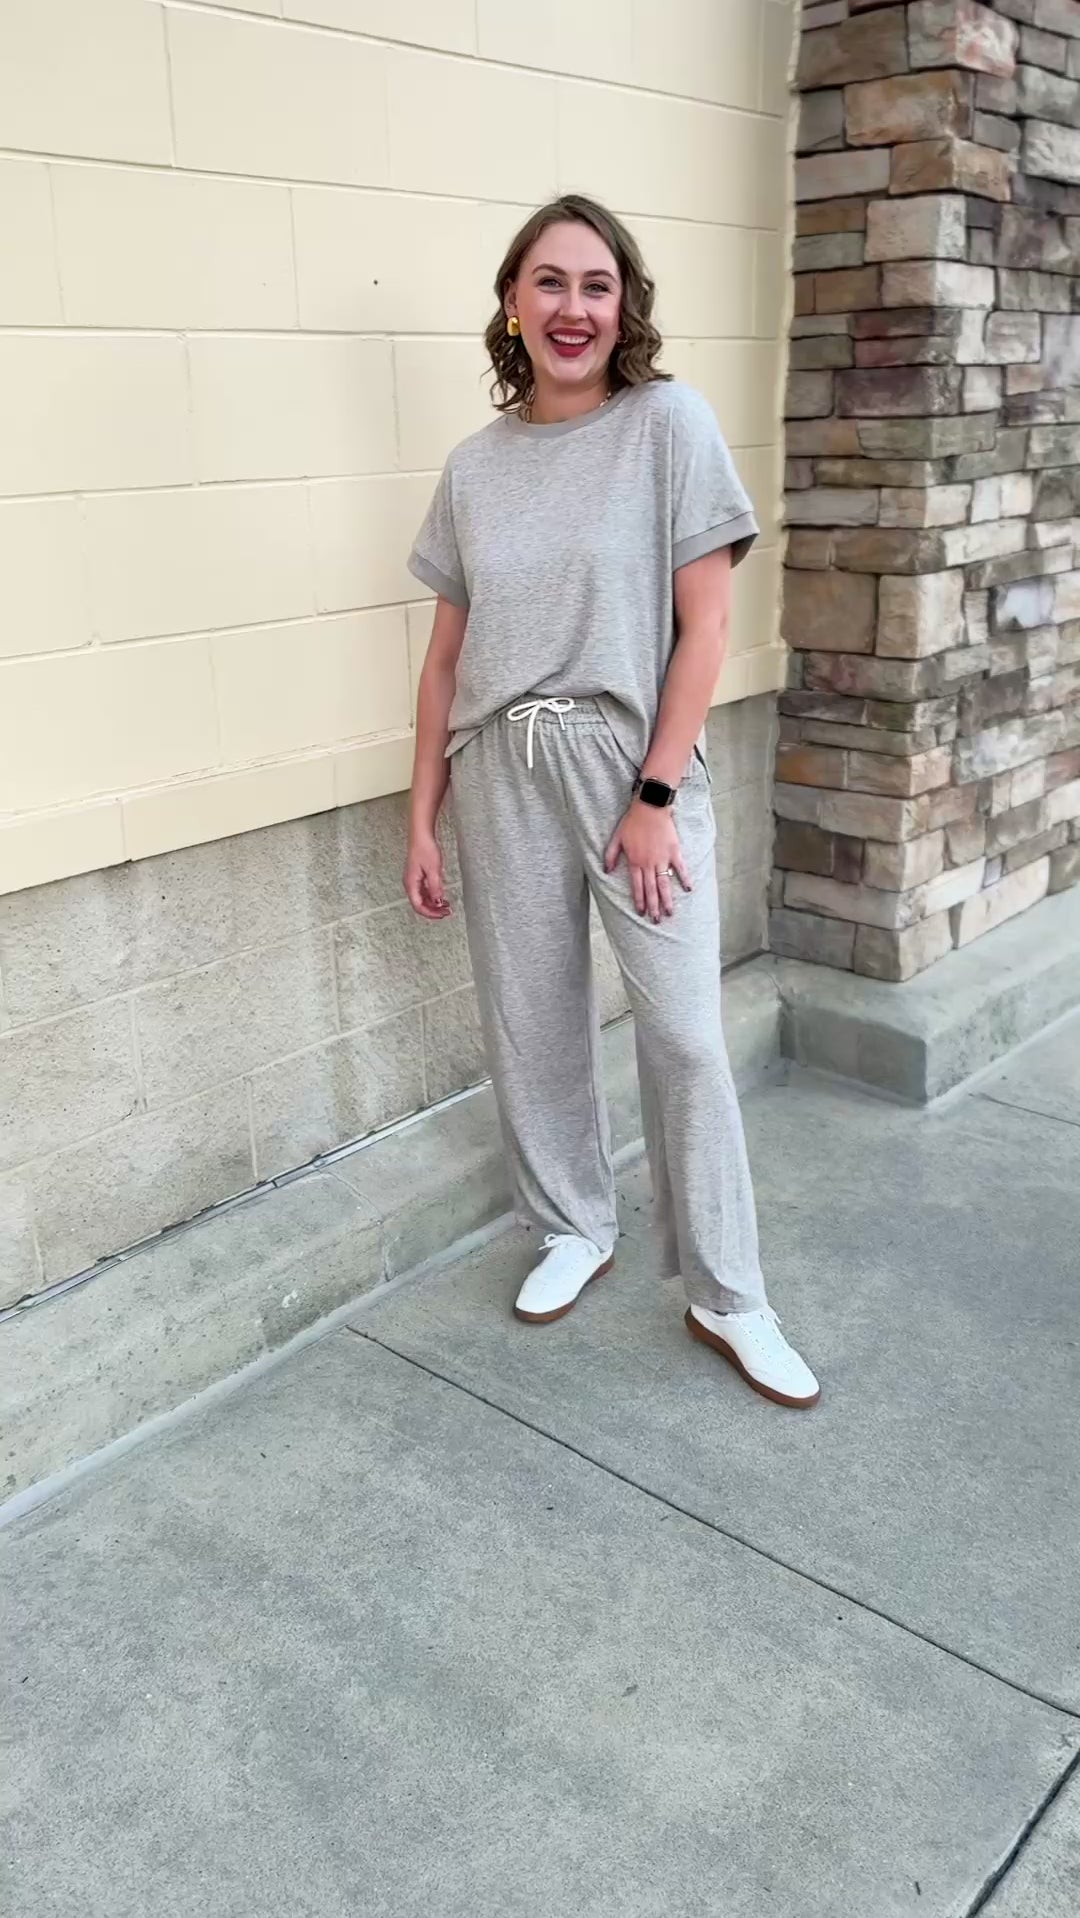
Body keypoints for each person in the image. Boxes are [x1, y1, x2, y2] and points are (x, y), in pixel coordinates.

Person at [404, 194, 819, 1411]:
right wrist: (422, 813)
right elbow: (445, 658)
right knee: (532, 1018)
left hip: (629, 762)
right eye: (549, 282)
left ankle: (728, 1292)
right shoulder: (475, 468)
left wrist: (655, 793)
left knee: (683, 1031)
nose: (573, 307)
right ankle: (573, 1223)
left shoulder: (668, 425)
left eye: (597, 284)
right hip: (501, 766)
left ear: (626, 304)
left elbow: (707, 629)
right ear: (512, 303)